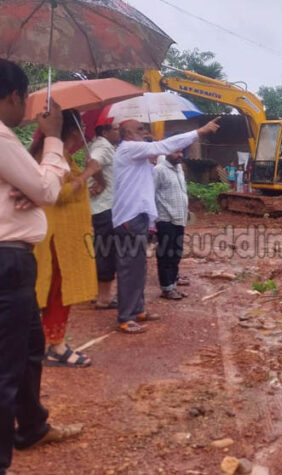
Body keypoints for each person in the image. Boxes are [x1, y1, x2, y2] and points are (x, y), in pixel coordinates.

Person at [0, 59, 82, 475]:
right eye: (24, 101)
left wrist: (31, 183)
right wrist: (51, 140)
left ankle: (31, 425)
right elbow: (49, 189)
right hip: (7, 261)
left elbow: (33, 186)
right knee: (7, 367)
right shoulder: (1, 136)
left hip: (14, 261)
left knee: (30, 348)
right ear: (15, 96)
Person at [112, 118, 221, 334]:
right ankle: (125, 317)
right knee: (129, 270)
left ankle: (137, 309)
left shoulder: (137, 155)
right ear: (128, 134)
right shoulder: (128, 149)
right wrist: (198, 131)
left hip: (138, 216)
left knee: (139, 268)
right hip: (129, 218)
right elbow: (162, 146)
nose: (145, 131)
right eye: (140, 129)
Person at [30, 110, 101, 368]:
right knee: (56, 292)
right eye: (81, 123)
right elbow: (58, 194)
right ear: (73, 130)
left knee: (55, 293)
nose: (85, 127)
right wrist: (88, 173)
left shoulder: (63, 155)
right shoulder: (54, 155)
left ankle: (52, 342)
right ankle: (56, 346)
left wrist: (88, 180)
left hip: (63, 237)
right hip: (56, 241)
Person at [88, 123, 120, 309]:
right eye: (115, 129)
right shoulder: (102, 146)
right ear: (104, 132)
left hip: (105, 207)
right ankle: (103, 298)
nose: (118, 132)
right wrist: (100, 182)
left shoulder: (106, 146)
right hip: (104, 208)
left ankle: (100, 294)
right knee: (106, 252)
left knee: (103, 250)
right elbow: (92, 163)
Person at [154, 151, 189, 300]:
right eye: (176, 152)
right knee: (165, 255)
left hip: (179, 219)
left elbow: (182, 192)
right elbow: (151, 193)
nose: (180, 155)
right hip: (165, 219)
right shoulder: (159, 170)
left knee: (176, 254)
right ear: (167, 152)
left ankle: (173, 285)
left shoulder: (179, 169)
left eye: (181, 152)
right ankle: (166, 288)